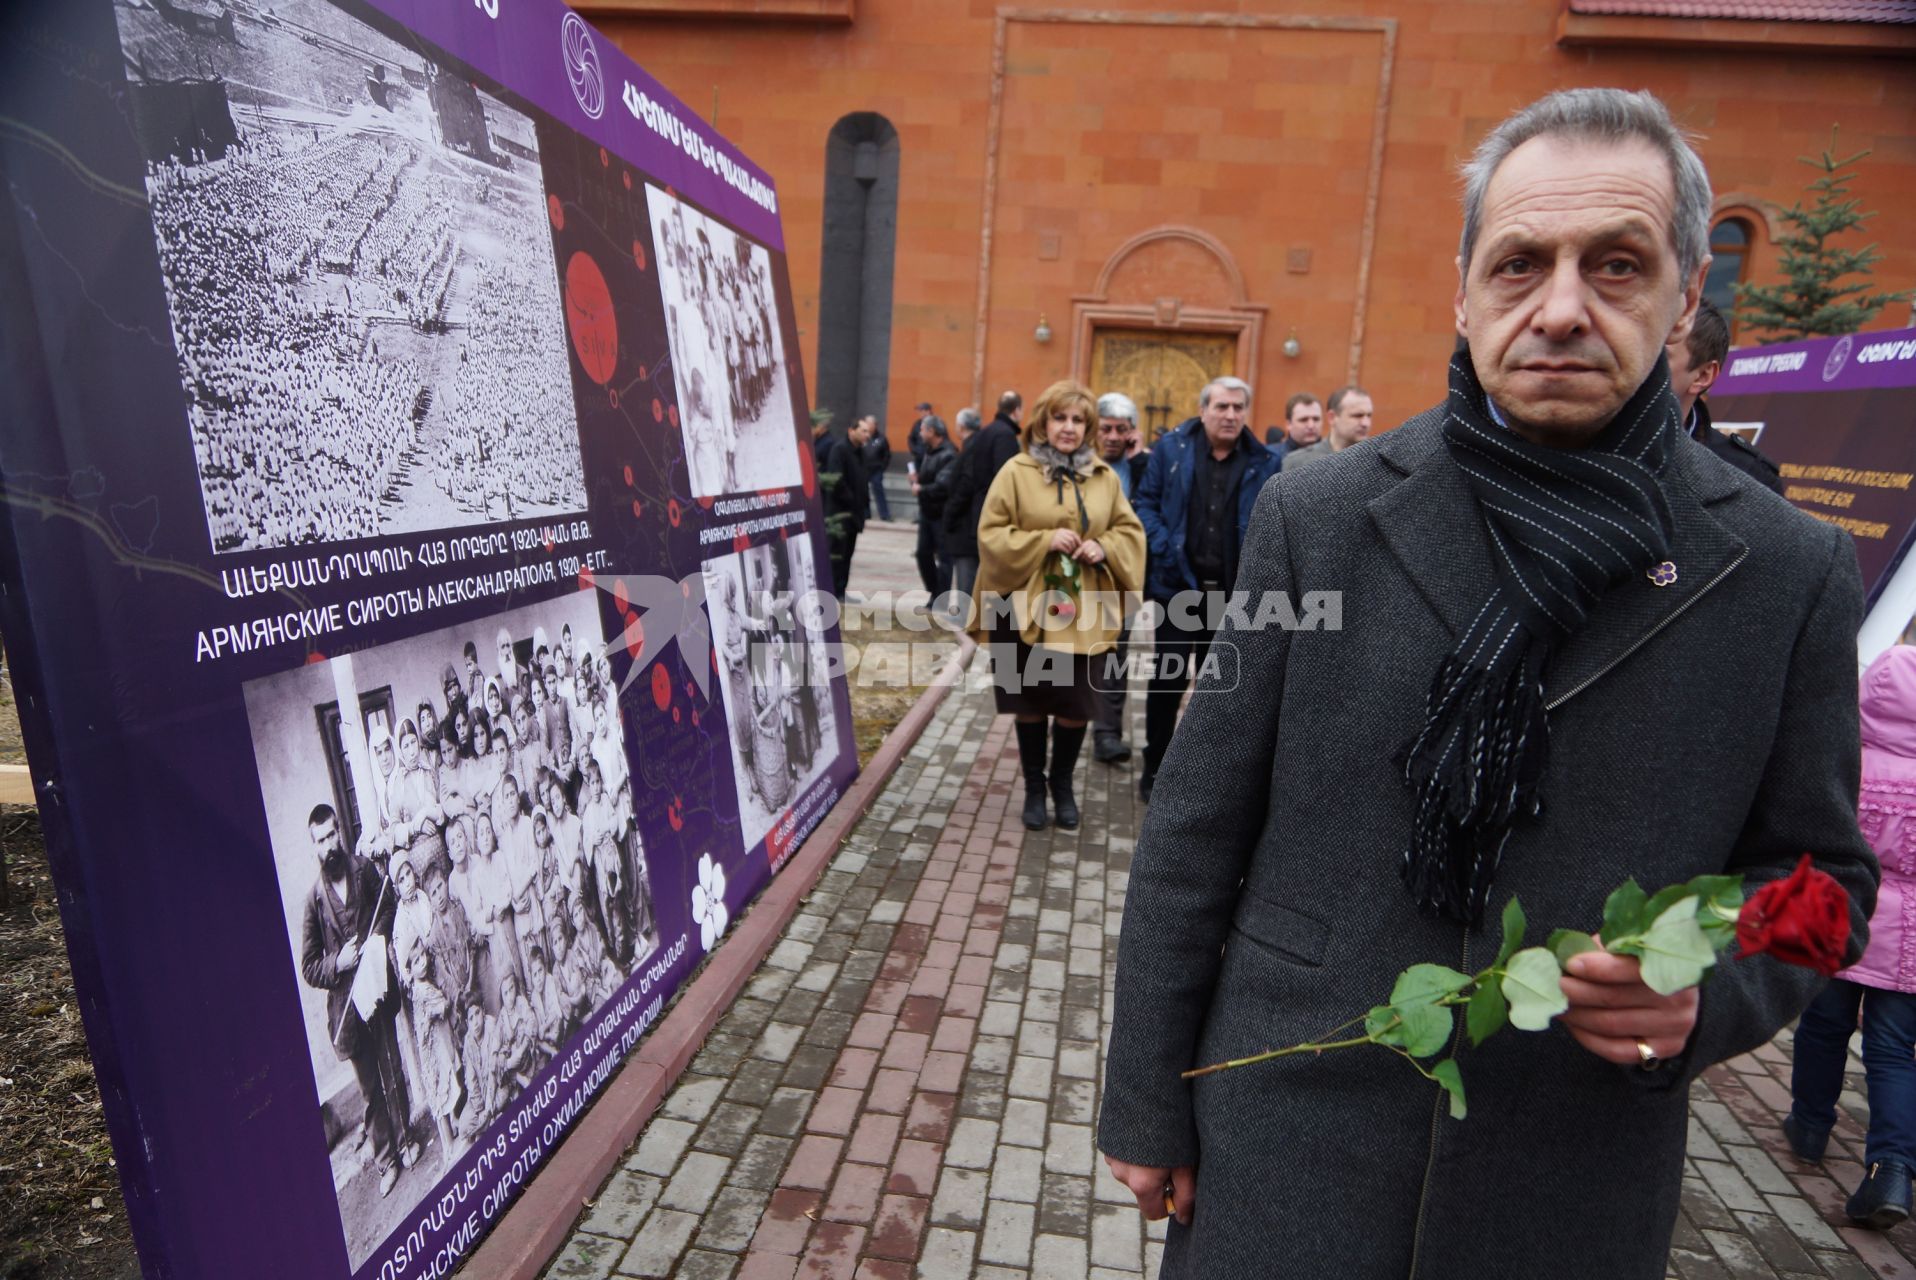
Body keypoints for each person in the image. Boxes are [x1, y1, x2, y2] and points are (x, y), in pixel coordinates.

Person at [1098, 88, 1878, 1280]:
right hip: (1284, 1145)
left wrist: (1707, 996)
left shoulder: (1786, 569)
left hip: (1567, 1182)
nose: (1560, 308)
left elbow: (1821, 883)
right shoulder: (1317, 511)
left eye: (1615, 265)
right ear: (1461, 291)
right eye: (1520, 263)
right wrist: (1146, 1097)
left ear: (1679, 297)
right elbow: (1194, 825)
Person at [971, 379, 1145, 831]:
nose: (1068, 427)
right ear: (1042, 422)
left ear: (1087, 428)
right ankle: (1033, 787)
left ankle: (1062, 785)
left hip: (1081, 612)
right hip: (1021, 604)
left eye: (1077, 420)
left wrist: (1104, 547)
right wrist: (1043, 539)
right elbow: (990, 535)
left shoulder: (1104, 479)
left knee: (1076, 703)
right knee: (1028, 699)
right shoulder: (1015, 471)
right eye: (1059, 417)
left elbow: (1130, 532)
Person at [1784, 645, 1916, 1228]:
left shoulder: (1849, 764)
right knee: (1892, 1052)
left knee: (1823, 1024)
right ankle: (1890, 1170)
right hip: (1910, 944)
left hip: (1846, 921)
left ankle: (1810, 1125)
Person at [1132, 376, 1280, 803]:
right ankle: (1154, 767)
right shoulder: (1171, 450)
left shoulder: (1263, 460)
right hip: (1177, 589)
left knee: (1218, 690)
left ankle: (1203, 774)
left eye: (1238, 408)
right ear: (1203, 411)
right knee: (1167, 680)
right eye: (1222, 407)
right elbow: (1146, 503)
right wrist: (1163, 546)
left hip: (1230, 595)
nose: (1230, 415)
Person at [299, 804, 417, 1198]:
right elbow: (310, 967)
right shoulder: (314, 902)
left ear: (339, 832)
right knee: (369, 1090)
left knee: (393, 1069)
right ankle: (386, 1160)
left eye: (332, 835)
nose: (329, 845)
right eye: (321, 840)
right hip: (347, 1012)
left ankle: (407, 1139)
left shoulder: (365, 869)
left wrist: (373, 945)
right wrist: (340, 961)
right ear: (313, 846)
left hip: (376, 992)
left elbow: (389, 907)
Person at [1667, 297, 1783, 494]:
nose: (1640, 363)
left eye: (1660, 355)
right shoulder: (1597, 440)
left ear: (1703, 376)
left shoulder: (1748, 476)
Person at [1091, 392, 1149, 764]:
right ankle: (1068, 718)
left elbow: (1147, 512)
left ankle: (1107, 733)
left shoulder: (1142, 466)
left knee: (1115, 656)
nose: (1113, 436)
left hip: (1122, 576)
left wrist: (1139, 460)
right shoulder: (1079, 464)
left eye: (1122, 429)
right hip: (1080, 576)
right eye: (1106, 428)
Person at [815, 410, 868, 598]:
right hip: (839, 512)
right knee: (836, 553)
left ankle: (841, 590)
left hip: (854, 515)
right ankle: (832, 591)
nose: (866, 435)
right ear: (851, 431)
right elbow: (837, 481)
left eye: (868, 432)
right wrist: (852, 500)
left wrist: (863, 506)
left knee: (847, 554)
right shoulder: (839, 449)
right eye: (863, 431)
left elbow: (862, 480)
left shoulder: (861, 452)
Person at [940, 408, 987, 617]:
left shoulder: (973, 448)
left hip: (966, 523)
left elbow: (966, 483)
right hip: (968, 521)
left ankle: (964, 620)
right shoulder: (976, 445)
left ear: (960, 427)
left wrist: (950, 510)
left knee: (966, 575)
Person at [911, 416, 958, 600]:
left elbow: (943, 485)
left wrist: (921, 488)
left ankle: (940, 598)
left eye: (922, 429)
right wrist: (917, 480)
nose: (920, 433)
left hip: (942, 513)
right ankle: (934, 591)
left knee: (945, 558)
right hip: (927, 511)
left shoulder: (949, 454)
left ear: (932, 432)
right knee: (923, 554)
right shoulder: (929, 451)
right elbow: (929, 477)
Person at [1279, 384, 1372, 469]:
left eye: (1369, 415)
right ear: (1332, 417)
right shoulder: (1298, 462)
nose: (1365, 423)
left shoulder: (1375, 461)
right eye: (1357, 415)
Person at [1271, 393, 1323, 469]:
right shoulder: (1270, 457)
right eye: (1303, 420)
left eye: (1316, 419)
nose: (1311, 426)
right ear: (1288, 424)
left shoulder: (1334, 455)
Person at [862, 414, 894, 520]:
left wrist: (882, 467)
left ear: (875, 425)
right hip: (864, 469)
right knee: (863, 492)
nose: (867, 426)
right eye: (866, 423)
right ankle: (866, 514)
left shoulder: (881, 439)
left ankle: (885, 514)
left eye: (869, 423)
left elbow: (887, 455)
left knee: (878, 490)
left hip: (876, 470)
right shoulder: (862, 437)